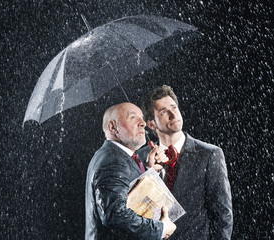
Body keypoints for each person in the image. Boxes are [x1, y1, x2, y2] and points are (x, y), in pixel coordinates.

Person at [136, 85, 233, 240]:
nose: (173, 114)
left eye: (174, 107)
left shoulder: (209, 154)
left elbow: (223, 214)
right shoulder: (140, 158)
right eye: (163, 112)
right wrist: (149, 171)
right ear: (151, 124)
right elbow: (134, 212)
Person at [85, 102, 176, 240]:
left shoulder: (116, 156)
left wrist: (149, 171)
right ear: (113, 127)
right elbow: (115, 215)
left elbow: (128, 196)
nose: (143, 123)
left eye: (141, 117)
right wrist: (161, 229)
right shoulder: (113, 160)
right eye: (133, 117)